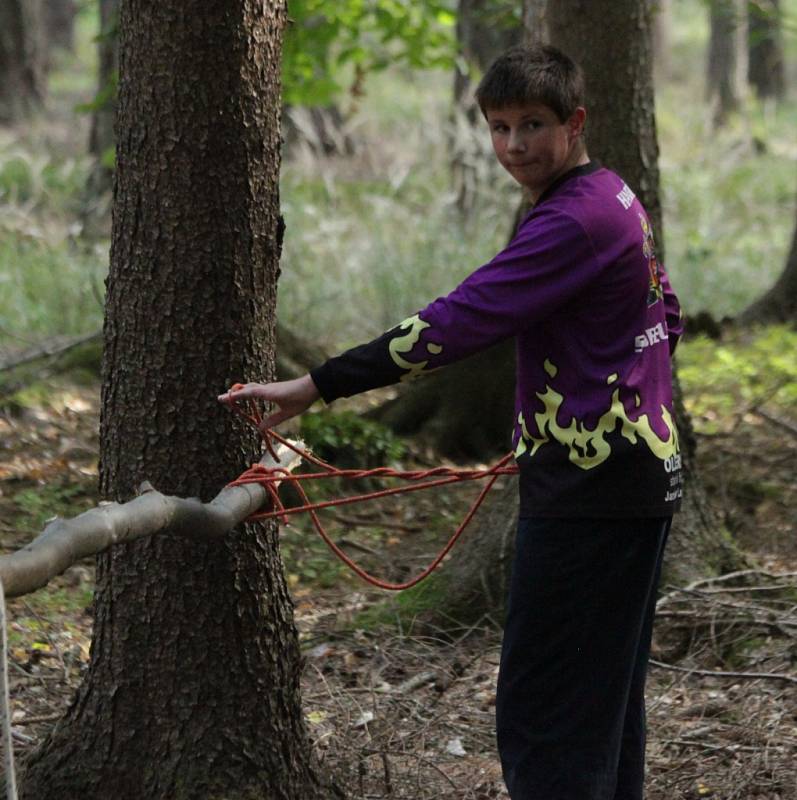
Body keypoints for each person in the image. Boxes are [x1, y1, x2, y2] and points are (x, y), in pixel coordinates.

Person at [219, 44, 683, 800]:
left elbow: (458, 321)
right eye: (498, 128)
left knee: (545, 711)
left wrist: (320, 383)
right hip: (630, 478)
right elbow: (664, 313)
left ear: (575, 122)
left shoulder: (573, 221)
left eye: (531, 125)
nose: (513, 147)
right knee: (600, 708)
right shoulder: (611, 196)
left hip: (592, 495)